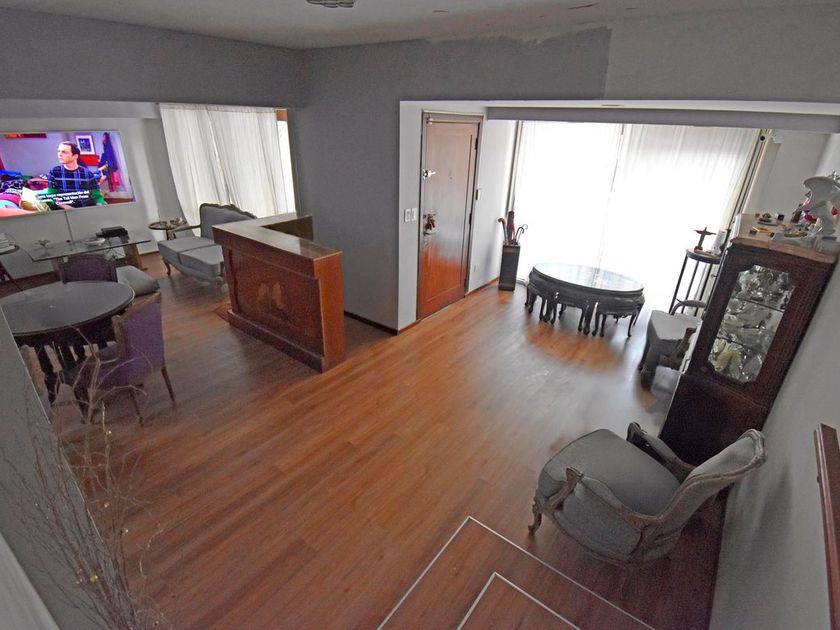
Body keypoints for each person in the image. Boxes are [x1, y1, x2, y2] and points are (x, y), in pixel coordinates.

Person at [46, 141, 106, 209]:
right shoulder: (54, 172)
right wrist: (69, 208)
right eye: (58, 151)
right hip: (64, 211)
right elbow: (51, 196)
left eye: (64, 152)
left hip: (86, 210)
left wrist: (100, 206)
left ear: (75, 156)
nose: (59, 154)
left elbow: (97, 196)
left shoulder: (87, 174)